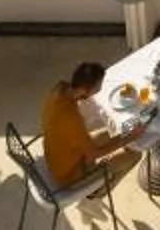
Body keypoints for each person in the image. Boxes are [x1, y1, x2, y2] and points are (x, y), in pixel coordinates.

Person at [39, 60, 140, 189]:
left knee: (111, 132)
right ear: (83, 90)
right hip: (69, 174)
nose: (99, 90)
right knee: (134, 154)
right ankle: (96, 193)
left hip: (59, 154)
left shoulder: (60, 88)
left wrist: (122, 138)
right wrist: (129, 138)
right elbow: (94, 154)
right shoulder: (71, 118)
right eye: (97, 88)